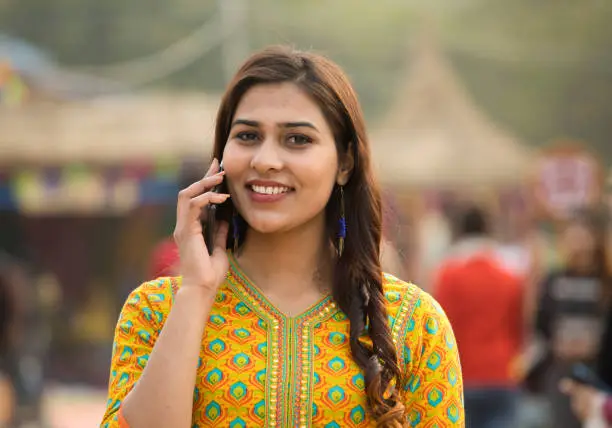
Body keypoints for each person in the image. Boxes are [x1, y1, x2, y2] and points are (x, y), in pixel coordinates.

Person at [100, 46, 464, 428]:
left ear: (345, 163)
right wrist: (196, 293)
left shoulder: (413, 322)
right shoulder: (155, 311)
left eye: (297, 140)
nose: (266, 160)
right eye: (247, 136)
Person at [433, 205, 524, 428]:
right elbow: (518, 327)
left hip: (461, 373)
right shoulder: (510, 274)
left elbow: (441, 329)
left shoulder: (448, 275)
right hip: (502, 372)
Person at [535, 209, 611, 428]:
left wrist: (593, 347)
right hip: (562, 370)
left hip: (598, 371)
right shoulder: (555, 279)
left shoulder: (605, 282)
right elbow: (542, 323)